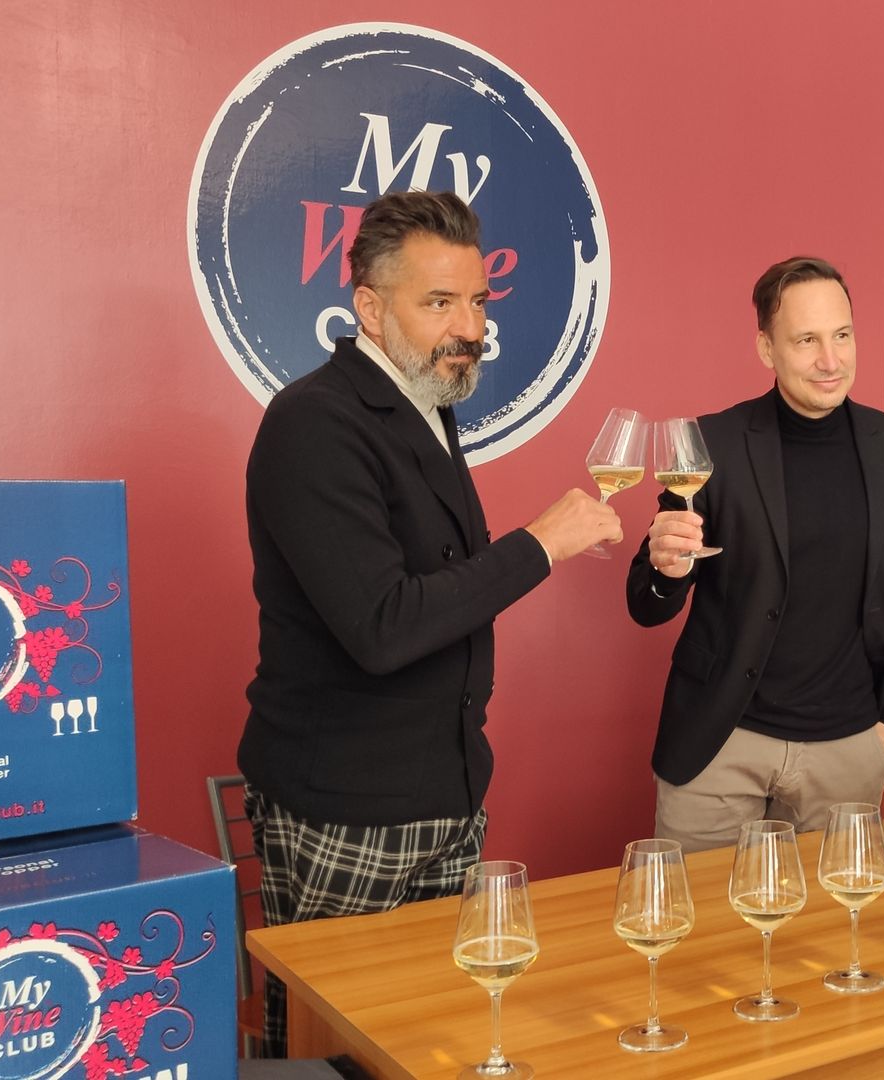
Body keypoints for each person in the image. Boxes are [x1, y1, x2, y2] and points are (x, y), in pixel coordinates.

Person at [238, 190, 619, 1056]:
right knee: (336, 1051)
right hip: (348, 808)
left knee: (430, 1043)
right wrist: (539, 545)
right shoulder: (313, 422)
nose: (468, 328)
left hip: (446, 797)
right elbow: (383, 626)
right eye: (439, 302)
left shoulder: (427, 405)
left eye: (477, 302)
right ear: (370, 308)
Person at [625, 256, 884, 852]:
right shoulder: (710, 442)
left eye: (842, 335)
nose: (830, 360)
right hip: (721, 743)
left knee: (832, 914)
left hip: (849, 749)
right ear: (766, 348)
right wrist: (667, 570)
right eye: (807, 340)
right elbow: (646, 602)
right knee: (700, 914)